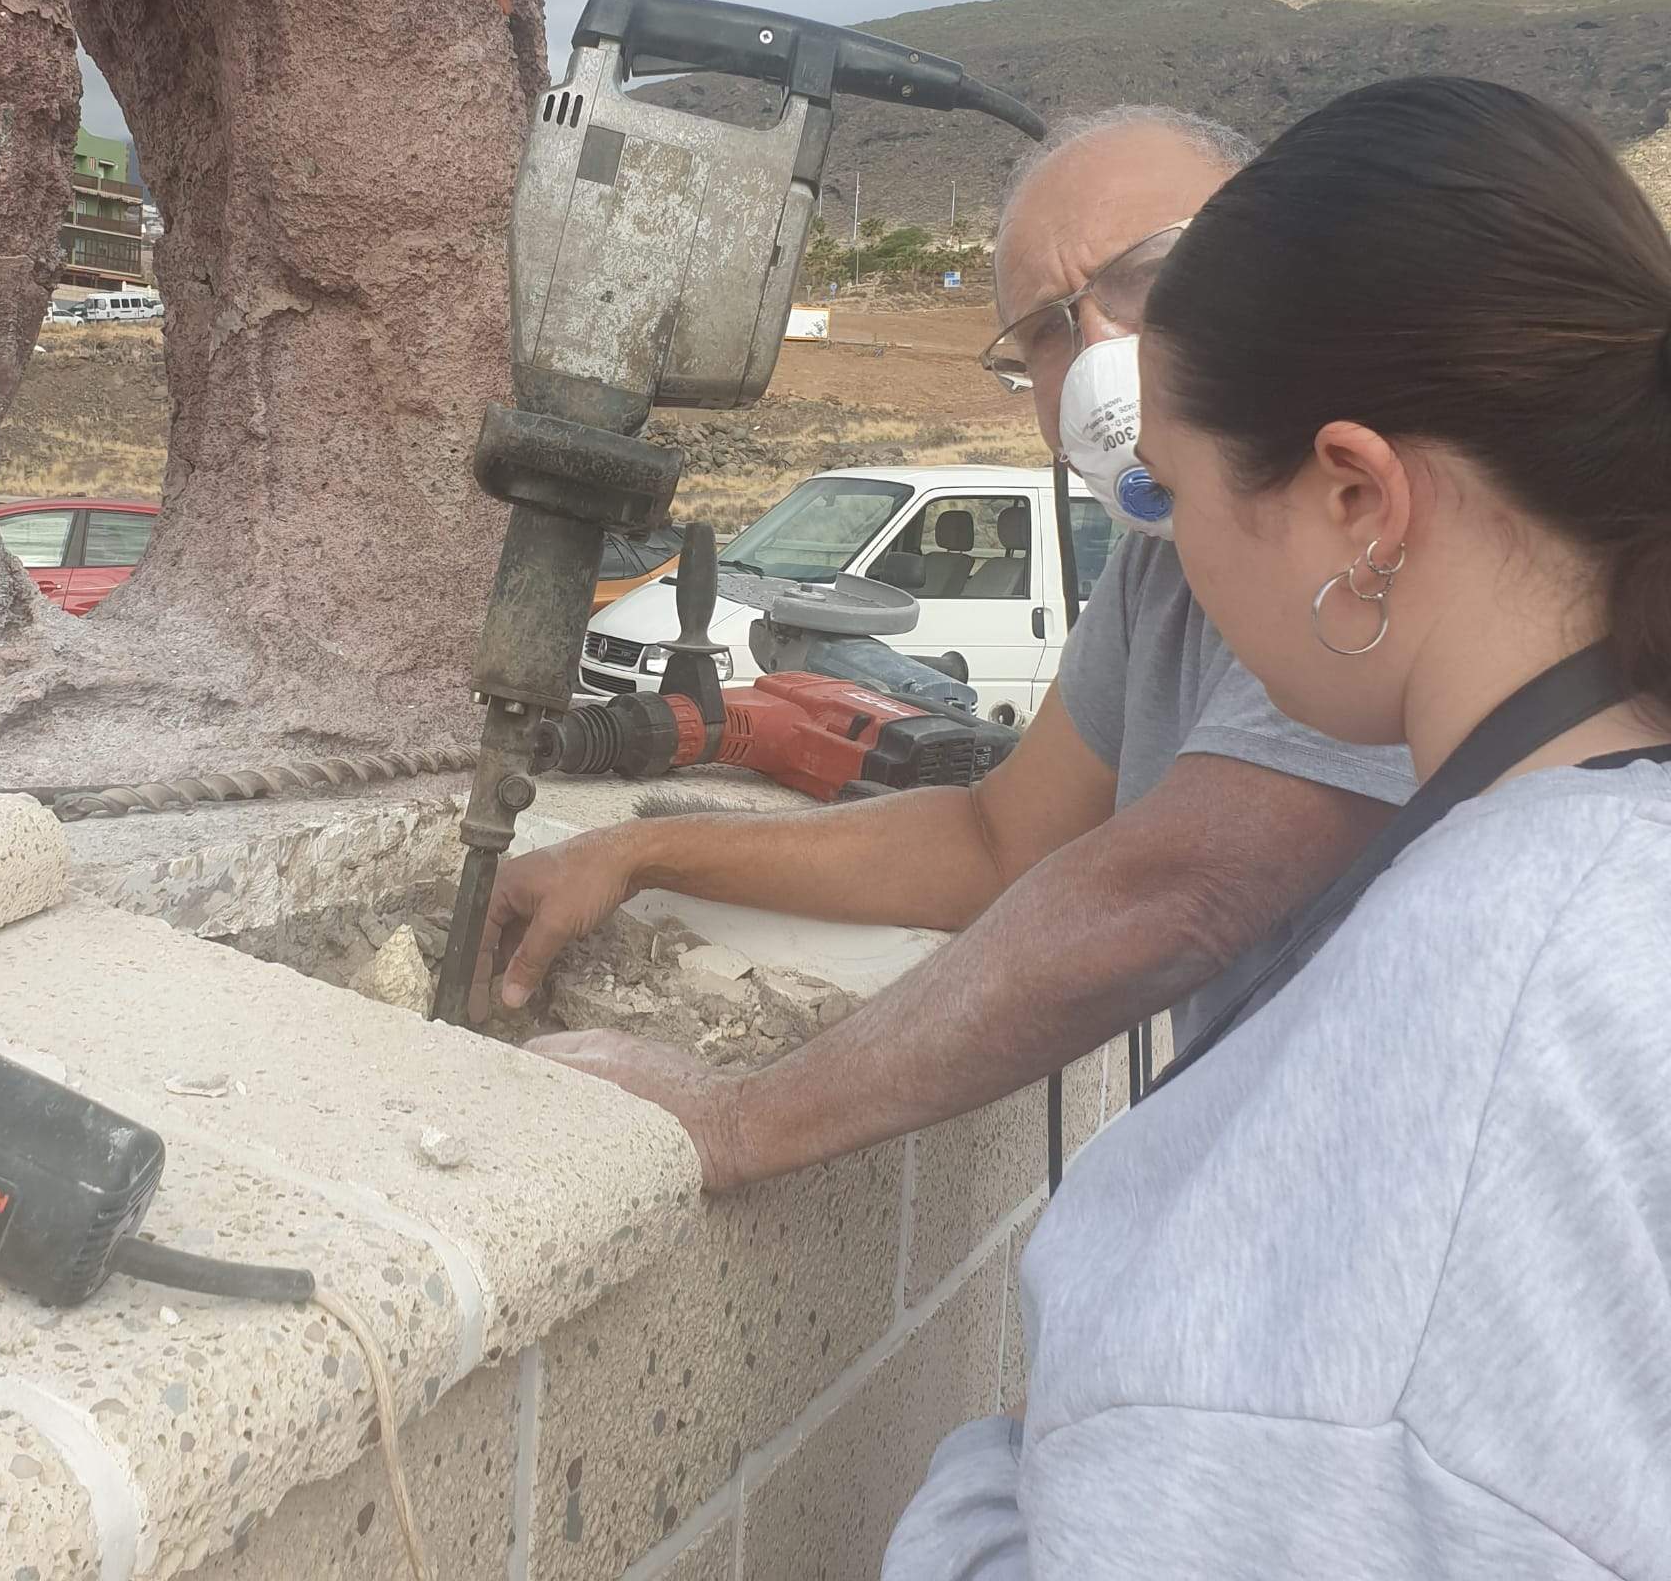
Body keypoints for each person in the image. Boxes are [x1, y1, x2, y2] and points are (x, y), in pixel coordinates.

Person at [888, 74, 1671, 1577]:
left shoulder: (1472, 1029)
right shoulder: (1606, 869)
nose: (1165, 543)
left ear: (1359, 504)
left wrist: (998, 1472)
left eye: (1174, 496)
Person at [479, 105, 1414, 1189]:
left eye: (1151, 277)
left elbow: (1173, 894)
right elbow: (995, 841)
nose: (1101, 355)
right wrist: (632, 853)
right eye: (1048, 333)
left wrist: (737, 1121)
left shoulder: (1363, 522)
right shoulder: (1161, 564)